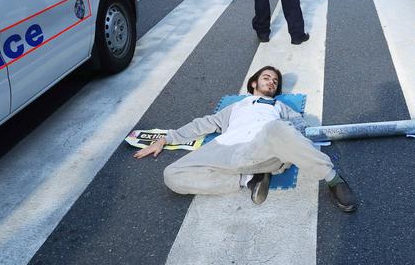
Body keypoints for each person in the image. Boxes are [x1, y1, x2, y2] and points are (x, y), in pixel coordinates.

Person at [134, 66, 358, 212]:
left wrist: (303, 148)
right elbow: (203, 124)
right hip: (226, 149)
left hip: (263, 146)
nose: (271, 82)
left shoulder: (281, 107)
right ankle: (248, 180)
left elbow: (298, 130)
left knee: (280, 129)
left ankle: (333, 179)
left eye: (274, 81)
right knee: (171, 175)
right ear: (253, 83)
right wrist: (166, 138)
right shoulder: (235, 106)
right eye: (266, 78)